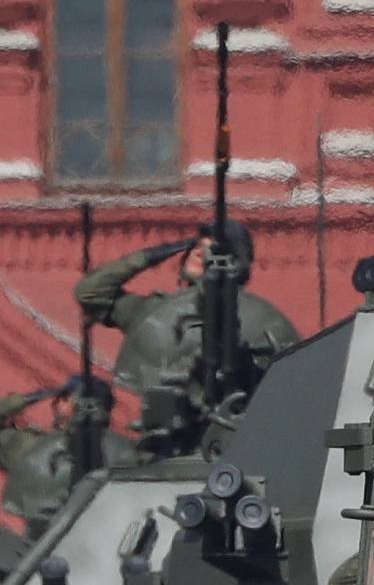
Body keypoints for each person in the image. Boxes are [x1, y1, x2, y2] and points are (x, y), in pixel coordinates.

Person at [77, 223, 298, 404]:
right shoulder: (155, 313)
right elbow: (89, 293)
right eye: (197, 246)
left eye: (213, 250)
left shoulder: (255, 319)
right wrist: (157, 253)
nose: (200, 252)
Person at [0, 377, 129, 536]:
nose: (57, 401)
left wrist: (25, 399)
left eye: (65, 398)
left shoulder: (35, 447)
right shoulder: (119, 454)